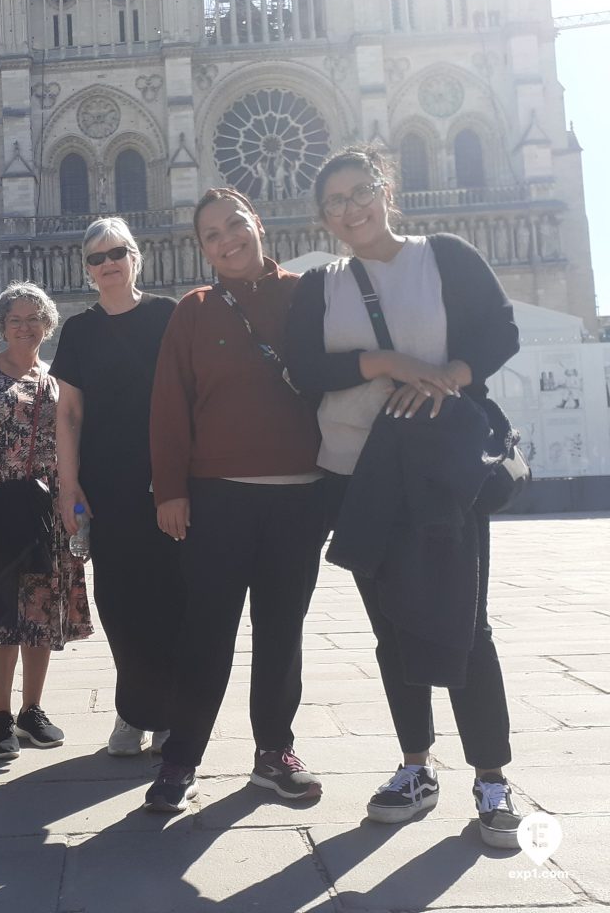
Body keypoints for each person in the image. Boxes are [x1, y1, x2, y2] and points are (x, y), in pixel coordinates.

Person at [284, 143, 522, 849]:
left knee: (465, 620)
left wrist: (450, 372)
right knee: (392, 627)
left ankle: (492, 778)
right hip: (358, 472)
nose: (352, 209)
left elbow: (499, 330)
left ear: (385, 189)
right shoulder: (319, 286)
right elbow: (303, 368)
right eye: (336, 202)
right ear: (324, 219)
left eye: (361, 192)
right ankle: (415, 767)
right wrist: (387, 363)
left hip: (441, 470)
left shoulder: (443, 254)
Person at [144, 187, 326, 813]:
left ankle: (274, 754)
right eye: (211, 235)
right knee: (207, 633)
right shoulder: (193, 310)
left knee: (282, 633)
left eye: (234, 225)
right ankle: (181, 759)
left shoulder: (305, 297)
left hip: (299, 497)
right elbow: (168, 407)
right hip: (217, 498)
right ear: (202, 249)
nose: (227, 240)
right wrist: (169, 490)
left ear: (258, 224)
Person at [51, 217, 183, 756]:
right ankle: (133, 711)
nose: (107, 265)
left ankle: (171, 710)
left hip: (168, 477)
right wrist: (67, 484)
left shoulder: (167, 316)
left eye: (116, 254)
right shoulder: (79, 331)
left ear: (135, 257)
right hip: (107, 480)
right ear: (86, 270)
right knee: (119, 598)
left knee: (170, 596)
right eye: (96, 258)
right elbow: (69, 414)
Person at [0, 282, 93, 760]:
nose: (25, 327)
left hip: (45, 510)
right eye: (16, 319)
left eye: (35, 319)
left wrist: (74, 506)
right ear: (1, 325)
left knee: (40, 611)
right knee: (0, 613)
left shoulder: (57, 379)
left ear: (47, 326)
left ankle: (32, 710)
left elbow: (71, 441)